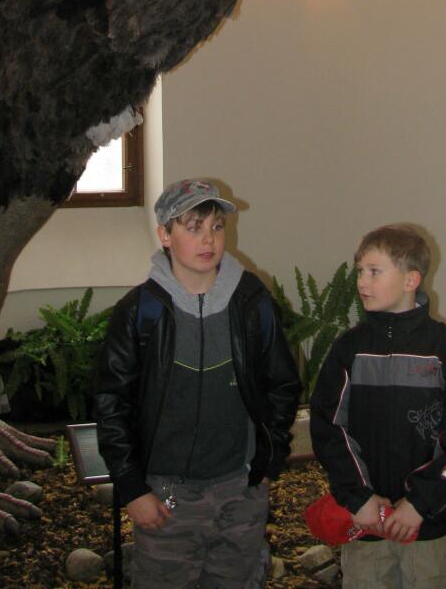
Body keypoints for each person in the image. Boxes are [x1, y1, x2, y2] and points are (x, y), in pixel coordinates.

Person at [94, 178, 301, 588]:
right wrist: (132, 488)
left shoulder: (252, 303)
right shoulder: (140, 312)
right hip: (164, 496)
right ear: (165, 235)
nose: (208, 239)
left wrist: (266, 463)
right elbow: (111, 402)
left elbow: (282, 384)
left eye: (216, 227)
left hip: (239, 491)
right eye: (193, 227)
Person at [309, 225, 446, 589]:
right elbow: (328, 426)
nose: (362, 281)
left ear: (411, 280)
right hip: (367, 522)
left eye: (374, 271)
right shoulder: (349, 349)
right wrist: (358, 497)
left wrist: (420, 502)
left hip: (429, 524)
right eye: (360, 271)